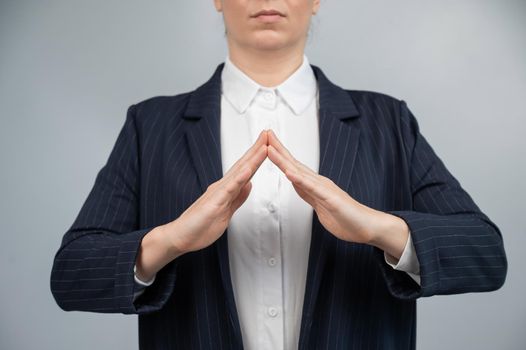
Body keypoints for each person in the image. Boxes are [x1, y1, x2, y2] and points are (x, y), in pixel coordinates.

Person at [50, 1, 507, 349]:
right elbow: (71, 274)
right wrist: (168, 241)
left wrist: (379, 229)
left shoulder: (388, 121)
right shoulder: (150, 126)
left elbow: (485, 254)